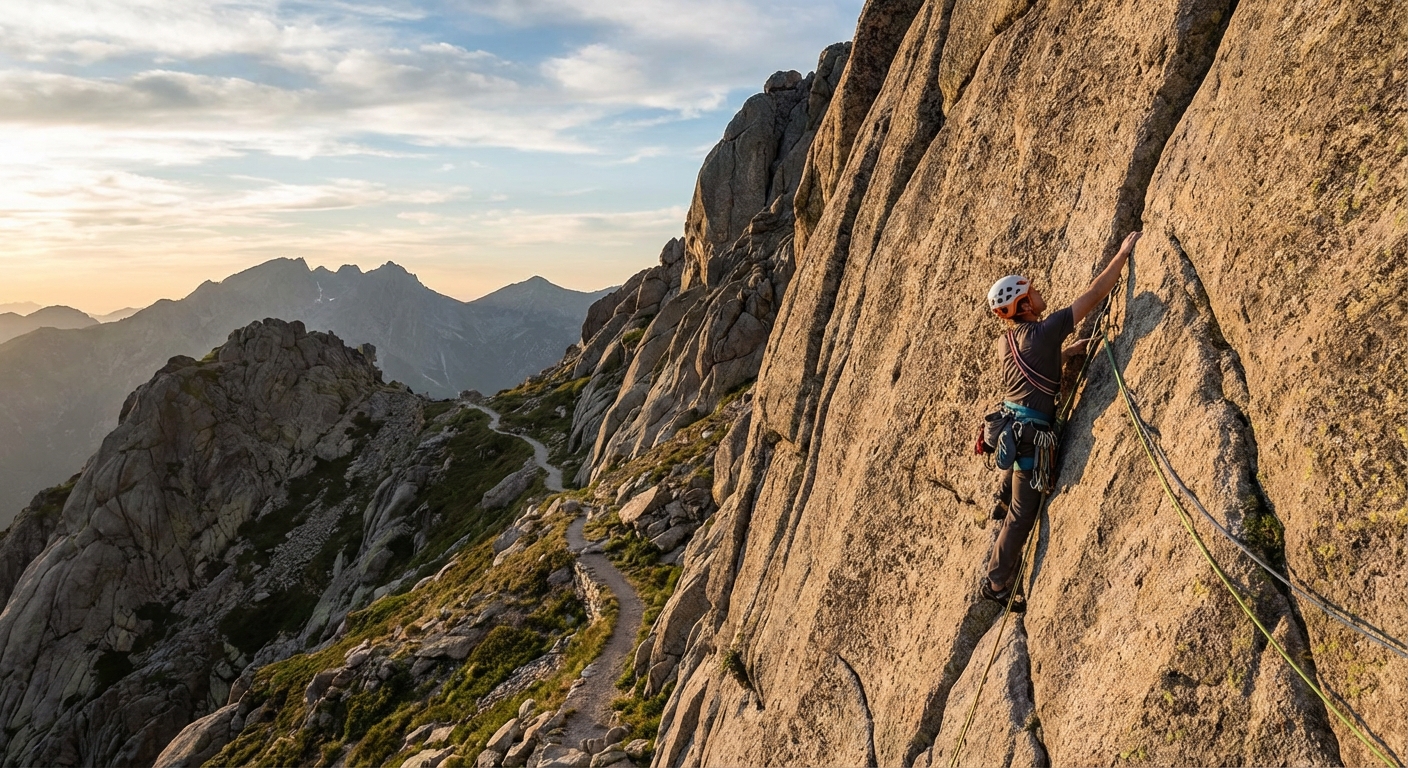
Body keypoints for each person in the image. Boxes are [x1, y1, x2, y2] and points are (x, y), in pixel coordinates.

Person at [981, 231, 1141, 610]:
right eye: (1031, 291)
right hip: (1029, 437)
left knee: (1017, 489)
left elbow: (1029, 369)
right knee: (1023, 515)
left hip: (1011, 425)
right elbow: (1095, 294)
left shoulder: (1008, 341)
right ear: (1023, 303)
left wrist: (1064, 353)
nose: (1038, 293)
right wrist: (1122, 254)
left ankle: (1004, 493)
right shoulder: (1045, 330)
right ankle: (996, 582)